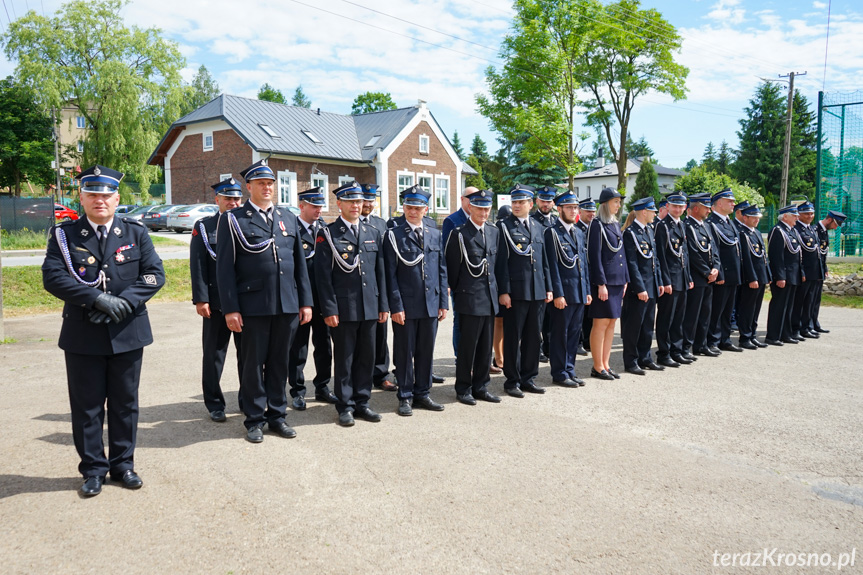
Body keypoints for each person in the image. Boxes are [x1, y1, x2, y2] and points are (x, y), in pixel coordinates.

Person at [42, 165, 165, 496]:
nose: (100, 200)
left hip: (128, 331)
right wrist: (96, 299)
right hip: (84, 333)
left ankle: (123, 465)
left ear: (117, 198)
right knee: (88, 405)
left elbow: (154, 275)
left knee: (125, 403)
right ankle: (93, 469)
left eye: (106, 194)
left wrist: (121, 303)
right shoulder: (64, 236)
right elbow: (53, 277)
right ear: (81, 197)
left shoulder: (136, 233)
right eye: (93, 194)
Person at [216, 159, 313, 443]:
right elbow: (224, 269)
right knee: (252, 364)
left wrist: (305, 302)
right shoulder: (233, 219)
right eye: (261, 183)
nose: (267, 188)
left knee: (279, 363)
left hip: (286, 305)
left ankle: (277, 416)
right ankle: (255, 419)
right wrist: (231, 308)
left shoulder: (288, 217)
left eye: (270, 183)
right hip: (253, 307)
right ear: (249, 187)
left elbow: (299, 266)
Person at [315, 181, 389, 426]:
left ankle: (362, 402)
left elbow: (381, 273)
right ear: (339, 204)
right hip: (344, 309)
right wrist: (329, 308)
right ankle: (345, 406)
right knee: (345, 358)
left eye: (359, 201)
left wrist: (383, 305)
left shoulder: (372, 232)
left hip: (369, 306)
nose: (356, 206)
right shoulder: (328, 233)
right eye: (351, 201)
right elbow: (323, 277)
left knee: (366, 357)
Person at [383, 185, 448, 416]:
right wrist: (396, 306)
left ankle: (423, 393)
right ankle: (406, 395)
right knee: (404, 351)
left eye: (418, 208)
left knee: (425, 351)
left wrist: (443, 302)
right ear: (404, 208)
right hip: (407, 306)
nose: (413, 212)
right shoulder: (394, 234)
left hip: (430, 303)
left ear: (426, 209)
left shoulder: (434, 233)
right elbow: (389, 274)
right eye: (409, 207)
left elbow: (441, 269)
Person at [190, 177, 243, 422]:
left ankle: (247, 399)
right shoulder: (204, 227)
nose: (233, 202)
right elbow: (198, 265)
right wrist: (201, 299)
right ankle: (214, 403)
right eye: (227, 198)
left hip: (245, 303)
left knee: (249, 356)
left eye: (236, 198)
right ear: (217, 200)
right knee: (213, 355)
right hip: (215, 302)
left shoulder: (247, 224)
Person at [445, 188, 501, 405]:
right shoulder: (459, 233)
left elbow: (497, 267)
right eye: (479, 208)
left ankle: (481, 386)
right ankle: (463, 388)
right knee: (468, 347)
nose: (484, 213)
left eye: (487, 209)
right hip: (469, 298)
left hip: (489, 298)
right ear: (471, 208)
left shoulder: (494, 232)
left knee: (486, 347)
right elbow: (453, 270)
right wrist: (460, 296)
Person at [495, 184, 553, 397]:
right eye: (514, 202)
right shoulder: (504, 227)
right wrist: (504, 291)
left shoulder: (538, 227)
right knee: (513, 337)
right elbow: (501, 263)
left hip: (537, 290)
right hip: (516, 292)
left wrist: (549, 288)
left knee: (532, 337)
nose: (517, 206)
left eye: (521, 202)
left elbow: (544, 260)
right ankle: (512, 381)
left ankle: (529, 378)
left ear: (531, 204)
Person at [287, 187, 337, 410]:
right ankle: (297, 390)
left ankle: (323, 386)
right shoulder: (291, 229)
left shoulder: (325, 229)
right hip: (300, 299)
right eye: (314, 206)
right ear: (302, 206)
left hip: (323, 298)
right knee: (298, 347)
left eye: (320, 206)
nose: (319, 210)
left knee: (324, 345)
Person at [544, 189, 591, 386]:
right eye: (569, 207)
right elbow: (551, 265)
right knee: (560, 335)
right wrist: (557, 293)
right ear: (559, 208)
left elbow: (583, 264)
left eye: (575, 207)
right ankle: (559, 373)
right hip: (563, 293)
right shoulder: (552, 232)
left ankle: (570, 369)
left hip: (579, 292)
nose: (573, 211)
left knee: (573, 334)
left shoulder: (579, 232)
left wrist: (587, 290)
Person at [587, 187, 628, 380]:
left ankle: (606, 363)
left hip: (617, 281)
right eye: (615, 202)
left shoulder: (613, 224)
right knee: (601, 323)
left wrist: (625, 278)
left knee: (612, 323)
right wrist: (600, 283)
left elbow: (621, 253)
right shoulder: (597, 225)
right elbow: (594, 256)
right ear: (605, 204)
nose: (619, 205)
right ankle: (597, 366)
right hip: (605, 282)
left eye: (619, 202)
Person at [360, 184, 398, 392]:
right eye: (364, 199)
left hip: (377, 287)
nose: (367, 204)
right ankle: (362, 374)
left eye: (371, 199)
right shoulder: (353, 221)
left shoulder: (381, 224)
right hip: (359, 289)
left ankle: (381, 374)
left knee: (381, 334)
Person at [621, 197, 664, 375]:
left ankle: (645, 358)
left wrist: (659, 282)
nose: (655, 214)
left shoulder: (649, 230)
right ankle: (631, 361)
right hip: (639, 289)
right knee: (634, 326)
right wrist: (640, 288)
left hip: (651, 286)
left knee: (647, 325)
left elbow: (655, 260)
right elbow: (632, 264)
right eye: (652, 211)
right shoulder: (630, 233)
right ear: (644, 212)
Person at [654, 193, 693, 368]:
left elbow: (685, 254)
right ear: (667, 206)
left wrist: (689, 277)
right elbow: (660, 256)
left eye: (681, 207)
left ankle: (676, 351)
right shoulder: (662, 226)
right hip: (670, 279)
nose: (677, 209)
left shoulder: (682, 225)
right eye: (674, 206)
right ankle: (664, 353)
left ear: (685, 208)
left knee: (679, 318)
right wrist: (665, 280)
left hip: (682, 278)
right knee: (666, 318)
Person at [682, 193, 721, 358]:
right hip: (697, 277)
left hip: (709, 278)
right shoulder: (688, 226)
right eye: (706, 207)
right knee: (692, 314)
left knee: (705, 313)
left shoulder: (706, 226)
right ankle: (686, 346)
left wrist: (716, 268)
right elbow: (693, 252)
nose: (708, 211)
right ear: (696, 208)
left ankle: (701, 344)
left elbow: (714, 249)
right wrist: (706, 271)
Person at [706, 188, 744, 353]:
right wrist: (719, 272)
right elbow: (714, 251)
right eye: (730, 201)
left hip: (733, 274)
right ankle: (712, 340)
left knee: (728, 310)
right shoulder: (712, 223)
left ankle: (725, 339)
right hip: (722, 275)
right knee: (717, 310)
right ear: (719, 203)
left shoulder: (729, 222)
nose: (733, 204)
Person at [765, 205, 804, 345]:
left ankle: (785, 334)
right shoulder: (778, 231)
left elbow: (798, 255)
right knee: (779, 306)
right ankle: (773, 336)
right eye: (794, 216)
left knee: (789, 307)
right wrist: (780, 276)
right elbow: (776, 257)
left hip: (793, 275)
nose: (797, 218)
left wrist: (801, 273)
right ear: (785, 216)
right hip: (784, 276)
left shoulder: (792, 231)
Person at [441, 187, 473, 357]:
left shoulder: (479, 218)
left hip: (476, 280)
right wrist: (447, 281)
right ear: (462, 199)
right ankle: (460, 357)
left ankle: (478, 358)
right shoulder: (452, 220)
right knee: (460, 320)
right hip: (459, 280)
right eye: (470, 198)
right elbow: (446, 253)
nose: (473, 201)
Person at [736, 204, 770, 349]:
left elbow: (763, 255)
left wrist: (766, 275)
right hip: (751, 278)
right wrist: (752, 278)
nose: (756, 220)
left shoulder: (756, 232)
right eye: (753, 217)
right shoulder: (742, 233)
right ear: (745, 217)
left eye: (757, 217)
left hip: (760, 276)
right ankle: (745, 337)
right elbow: (746, 259)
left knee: (756, 309)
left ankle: (752, 334)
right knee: (747, 309)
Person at [811, 210, 847, 333]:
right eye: (836, 224)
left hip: (819, 269)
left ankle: (814, 323)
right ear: (830, 220)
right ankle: (808, 325)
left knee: (816, 299)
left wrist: (824, 268)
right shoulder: (815, 230)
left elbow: (823, 253)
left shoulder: (824, 231)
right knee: (809, 300)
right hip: (812, 270)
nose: (836, 227)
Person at [791, 201, 824, 340]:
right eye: (806, 214)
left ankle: (806, 327)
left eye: (811, 213)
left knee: (809, 301)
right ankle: (796, 328)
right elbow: (799, 255)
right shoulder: (797, 229)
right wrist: (802, 272)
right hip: (804, 272)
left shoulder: (811, 229)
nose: (810, 216)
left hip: (814, 272)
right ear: (799, 215)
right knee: (799, 302)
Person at [532, 185, 557, 363]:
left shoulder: (556, 221)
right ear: (537, 201)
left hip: (555, 274)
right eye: (543, 200)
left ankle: (549, 347)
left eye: (548, 201)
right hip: (539, 274)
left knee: (551, 317)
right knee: (538, 318)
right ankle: (538, 348)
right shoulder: (533, 221)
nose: (545, 204)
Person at [492, 204, 512, 374]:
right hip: (498, 283)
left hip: (512, 283)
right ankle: (498, 357)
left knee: (508, 323)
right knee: (498, 322)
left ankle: (505, 355)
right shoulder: (497, 231)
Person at [576, 198, 596, 356]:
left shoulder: (595, 229)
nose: (591, 214)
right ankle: (580, 341)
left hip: (593, 277)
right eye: (588, 210)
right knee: (581, 314)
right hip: (582, 275)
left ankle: (589, 340)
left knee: (591, 312)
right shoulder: (577, 229)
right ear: (580, 211)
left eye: (593, 211)